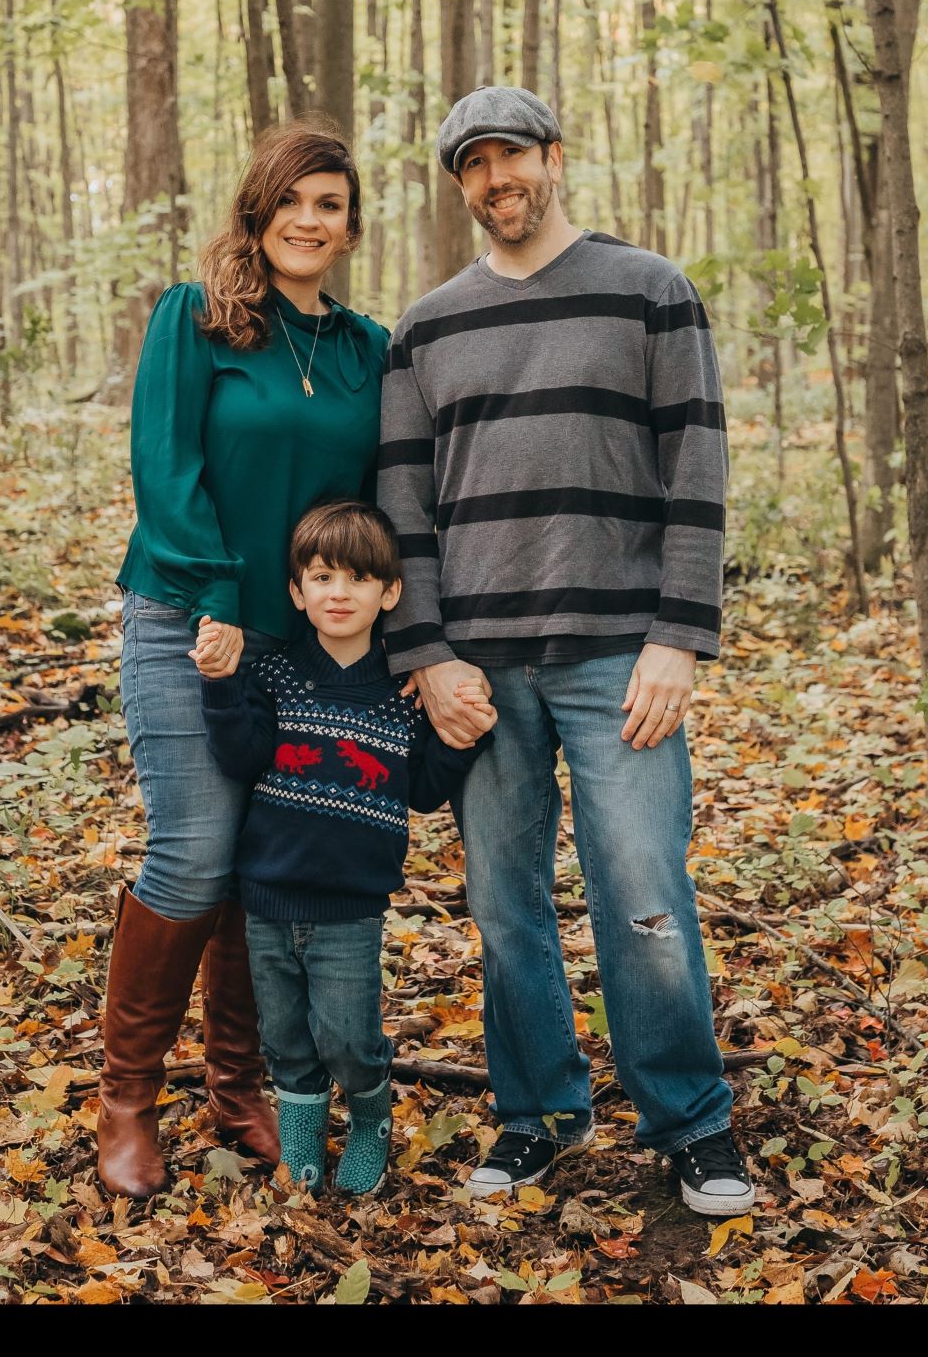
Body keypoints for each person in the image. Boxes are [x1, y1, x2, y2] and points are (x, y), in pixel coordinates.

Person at [377, 84, 756, 1215]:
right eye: (474, 165)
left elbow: (698, 470)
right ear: (459, 185)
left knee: (643, 892)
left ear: (554, 156)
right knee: (502, 904)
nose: (497, 180)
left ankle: (690, 1122)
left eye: (513, 156)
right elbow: (403, 511)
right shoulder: (426, 327)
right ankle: (537, 1112)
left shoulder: (649, 292)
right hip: (477, 676)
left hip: (617, 661)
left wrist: (679, 638)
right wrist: (426, 655)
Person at [100, 121, 388, 1200]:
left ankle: (235, 1085)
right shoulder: (200, 319)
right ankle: (125, 1099)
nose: (311, 221)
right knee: (195, 847)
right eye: (294, 202)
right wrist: (217, 599)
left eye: (331, 204)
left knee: (263, 860)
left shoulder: (367, 348)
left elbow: (381, 504)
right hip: (188, 617)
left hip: (307, 646)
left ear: (350, 225)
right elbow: (164, 471)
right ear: (258, 212)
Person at [200, 500, 492, 1196]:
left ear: (388, 593)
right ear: (297, 592)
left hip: (351, 907)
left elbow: (420, 790)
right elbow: (241, 756)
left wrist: (461, 738)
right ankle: (301, 1136)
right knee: (288, 1040)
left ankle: (368, 1117)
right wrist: (218, 685)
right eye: (323, 578)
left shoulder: (402, 690)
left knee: (349, 1040)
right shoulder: (272, 676)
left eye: (357, 580)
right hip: (269, 898)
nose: (339, 593)